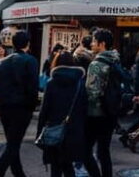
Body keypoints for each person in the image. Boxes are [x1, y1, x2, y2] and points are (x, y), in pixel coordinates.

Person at [0, 30, 39, 177]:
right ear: (28, 44)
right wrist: (32, 106)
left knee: (12, 142)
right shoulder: (30, 61)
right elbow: (32, 86)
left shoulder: (2, 62)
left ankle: (18, 172)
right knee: (14, 143)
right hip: (21, 107)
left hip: (4, 106)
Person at [37, 51, 88, 177]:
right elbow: (84, 108)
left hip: (54, 128)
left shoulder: (51, 83)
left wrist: (39, 132)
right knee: (68, 166)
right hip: (74, 130)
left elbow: (44, 110)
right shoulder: (80, 83)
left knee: (56, 167)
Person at [85, 28, 120, 177]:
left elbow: (92, 92)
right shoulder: (115, 59)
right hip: (111, 111)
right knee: (104, 151)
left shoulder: (96, 64)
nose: (91, 44)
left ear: (102, 44)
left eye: (94, 41)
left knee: (85, 150)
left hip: (95, 113)